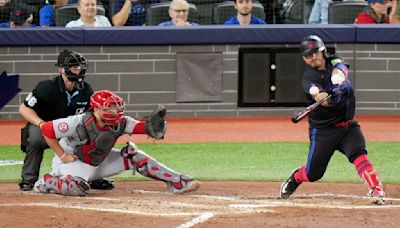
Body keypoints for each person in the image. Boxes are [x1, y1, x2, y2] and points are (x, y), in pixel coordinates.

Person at [280, 35, 386, 205]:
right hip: (324, 131)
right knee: (314, 173)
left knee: (359, 154)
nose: (313, 57)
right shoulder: (308, 78)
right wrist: (331, 98)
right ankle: (296, 177)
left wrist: (338, 83)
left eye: (316, 52)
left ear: (323, 51)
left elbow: (341, 69)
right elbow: (318, 95)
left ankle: (376, 188)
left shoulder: (334, 60)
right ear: (304, 59)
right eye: (308, 55)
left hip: (348, 126)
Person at [33, 90, 201, 196]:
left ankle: (177, 182)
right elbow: (47, 129)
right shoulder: (77, 122)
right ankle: (49, 181)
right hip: (74, 163)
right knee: (77, 188)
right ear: (96, 109)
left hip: (100, 163)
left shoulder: (122, 122)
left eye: (115, 108)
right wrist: (62, 155)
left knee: (134, 155)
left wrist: (152, 126)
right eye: (109, 108)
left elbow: (141, 127)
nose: (114, 112)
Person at [18, 50, 113, 191]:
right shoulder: (47, 87)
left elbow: (92, 114)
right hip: (46, 126)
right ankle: (28, 179)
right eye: (74, 66)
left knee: (91, 135)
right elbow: (24, 109)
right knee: (36, 138)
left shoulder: (86, 90)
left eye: (79, 66)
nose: (78, 69)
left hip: (70, 130)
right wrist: (41, 124)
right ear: (61, 69)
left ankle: (93, 177)